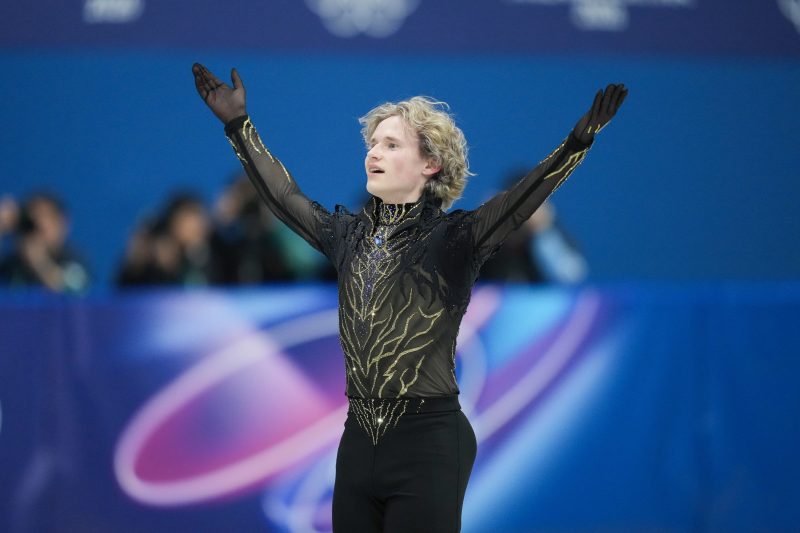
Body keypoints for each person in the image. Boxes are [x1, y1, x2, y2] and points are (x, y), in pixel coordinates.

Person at [192, 63, 627, 532]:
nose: (373, 153)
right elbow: (284, 197)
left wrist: (576, 143)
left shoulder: (456, 239)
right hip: (358, 440)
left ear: (430, 164)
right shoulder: (347, 235)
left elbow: (521, 200)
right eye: (372, 144)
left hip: (429, 442)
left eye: (391, 144)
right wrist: (239, 125)